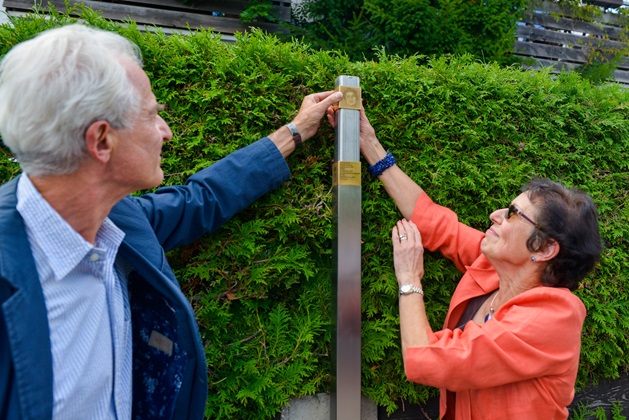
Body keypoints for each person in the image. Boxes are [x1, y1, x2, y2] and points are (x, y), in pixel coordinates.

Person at [0, 24, 343, 419]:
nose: (167, 132)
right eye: (152, 116)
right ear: (101, 142)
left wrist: (294, 133)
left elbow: (200, 199)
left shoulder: (118, 221)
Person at [354, 107, 602, 419]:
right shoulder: (499, 267)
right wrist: (370, 144)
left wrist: (409, 279)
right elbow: (434, 222)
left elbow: (425, 360)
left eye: (512, 213)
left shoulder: (552, 319)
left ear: (546, 247)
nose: (495, 215)